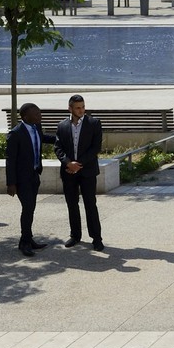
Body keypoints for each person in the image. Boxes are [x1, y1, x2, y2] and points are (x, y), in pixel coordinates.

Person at [54, 95, 104, 252]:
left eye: (83, 107)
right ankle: (75, 235)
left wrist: (78, 165)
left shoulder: (94, 123)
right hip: (68, 171)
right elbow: (58, 148)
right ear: (70, 108)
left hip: (87, 171)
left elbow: (95, 148)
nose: (81, 110)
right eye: (77, 107)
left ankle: (96, 238)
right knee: (71, 204)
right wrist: (68, 163)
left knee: (90, 204)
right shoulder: (62, 125)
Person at [5, 103, 48, 257]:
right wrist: (11, 183)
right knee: (28, 208)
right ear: (25, 117)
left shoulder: (36, 127)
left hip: (34, 175)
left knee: (31, 209)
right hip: (21, 179)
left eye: (39, 113)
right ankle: (24, 243)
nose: (39, 116)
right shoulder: (16, 134)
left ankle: (28, 239)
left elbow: (43, 139)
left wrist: (63, 140)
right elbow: (10, 160)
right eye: (36, 114)